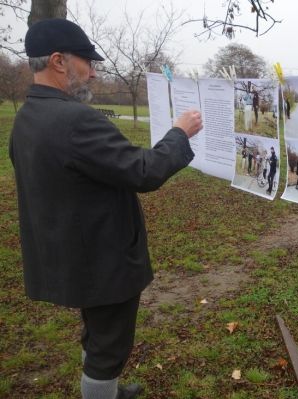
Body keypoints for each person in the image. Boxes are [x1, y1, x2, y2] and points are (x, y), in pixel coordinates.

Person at [9, 19, 202, 399]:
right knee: (109, 349)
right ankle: (101, 392)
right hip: (100, 259)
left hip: (67, 252)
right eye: (88, 62)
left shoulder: (27, 117)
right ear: (59, 61)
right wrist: (179, 133)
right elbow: (144, 172)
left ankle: (105, 390)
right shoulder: (75, 120)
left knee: (97, 332)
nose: (95, 72)